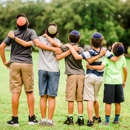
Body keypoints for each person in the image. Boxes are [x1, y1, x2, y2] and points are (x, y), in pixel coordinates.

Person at [0, 13, 61, 127]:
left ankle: (14, 120)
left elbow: (1, 46)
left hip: (14, 63)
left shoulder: (12, 33)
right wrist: (54, 48)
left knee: (15, 92)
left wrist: (4, 61)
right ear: (28, 23)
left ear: (16, 24)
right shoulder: (31, 32)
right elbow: (37, 44)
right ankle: (31, 118)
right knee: (29, 91)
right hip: (27, 64)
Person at [43, 30, 106, 126]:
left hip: (71, 75)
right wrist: (99, 57)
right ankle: (80, 119)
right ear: (79, 39)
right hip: (81, 75)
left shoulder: (65, 47)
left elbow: (54, 43)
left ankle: (70, 118)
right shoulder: (80, 49)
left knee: (71, 98)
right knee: (79, 99)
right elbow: (89, 60)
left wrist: (47, 36)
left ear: (68, 39)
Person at [65, 32, 121, 127]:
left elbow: (77, 57)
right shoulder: (105, 51)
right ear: (101, 42)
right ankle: (97, 117)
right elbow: (115, 59)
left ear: (91, 41)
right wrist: (121, 54)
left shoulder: (89, 52)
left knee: (90, 100)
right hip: (99, 78)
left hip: (90, 77)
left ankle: (90, 120)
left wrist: (70, 47)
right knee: (95, 98)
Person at [87, 42, 127, 125]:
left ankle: (107, 121)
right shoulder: (122, 58)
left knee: (108, 102)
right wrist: (124, 80)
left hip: (109, 83)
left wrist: (90, 66)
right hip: (119, 82)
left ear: (112, 49)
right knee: (118, 102)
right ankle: (116, 120)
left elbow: (101, 67)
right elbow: (125, 71)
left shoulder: (108, 57)